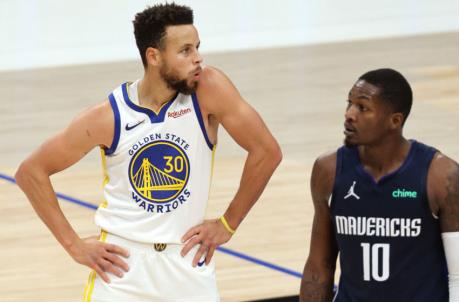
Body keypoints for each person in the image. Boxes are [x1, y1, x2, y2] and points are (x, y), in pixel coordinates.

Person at [15, 3, 282, 302]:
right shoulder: (108, 116)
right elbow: (30, 172)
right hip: (122, 267)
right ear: (153, 56)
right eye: (185, 51)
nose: (198, 58)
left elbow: (267, 151)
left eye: (197, 47)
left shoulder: (209, 89)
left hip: (187, 262)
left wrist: (228, 223)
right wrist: (73, 245)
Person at [300, 68, 459, 302]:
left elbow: (457, 275)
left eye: (362, 107)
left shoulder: (441, 176)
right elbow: (319, 267)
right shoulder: (328, 170)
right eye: (349, 104)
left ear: (394, 121)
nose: (349, 114)